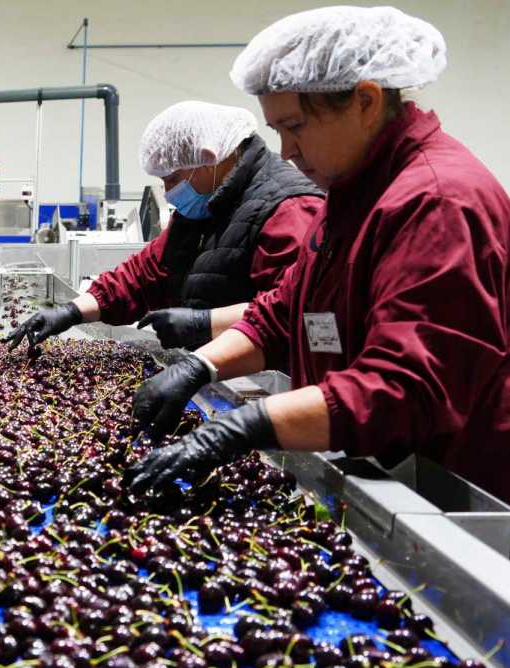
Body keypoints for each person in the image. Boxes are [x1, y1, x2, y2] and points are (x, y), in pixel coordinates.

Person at [128, 6, 510, 503]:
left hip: (446, 493)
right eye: (277, 131)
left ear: (365, 101)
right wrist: (200, 367)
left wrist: (245, 426)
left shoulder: (437, 201)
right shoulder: (353, 192)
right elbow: (286, 311)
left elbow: (404, 390)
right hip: (377, 469)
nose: (286, 151)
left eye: (295, 126)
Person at [5, 101, 323, 353]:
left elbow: (296, 311)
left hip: (267, 388)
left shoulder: (289, 210)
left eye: (172, 178)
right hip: (212, 373)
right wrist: (73, 311)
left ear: (208, 159)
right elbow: (144, 275)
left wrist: (205, 324)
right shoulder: (206, 206)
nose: (169, 191)